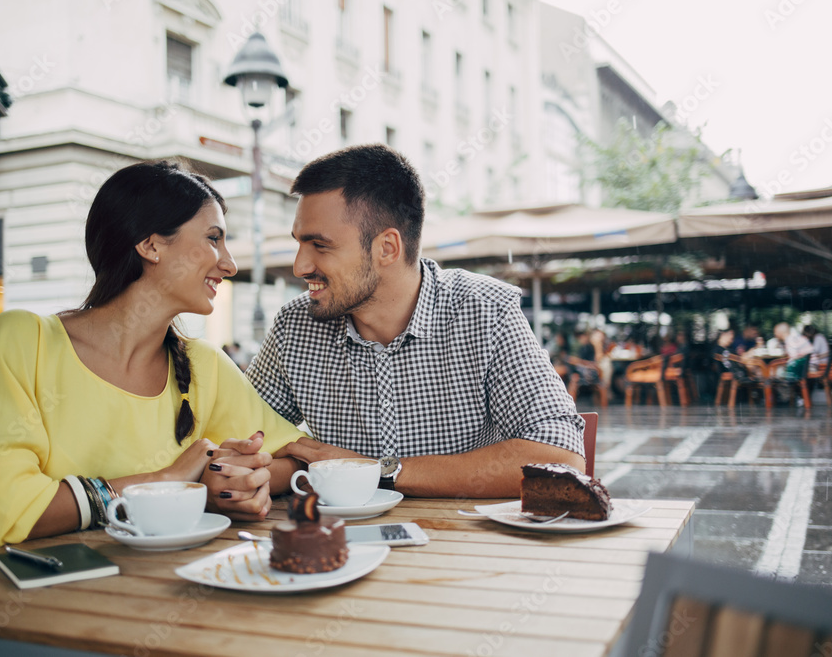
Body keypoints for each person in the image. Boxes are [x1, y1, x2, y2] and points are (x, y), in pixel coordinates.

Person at [0, 162, 305, 564]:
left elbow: (295, 457)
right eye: (213, 239)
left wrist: (230, 478)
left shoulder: (203, 366)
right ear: (151, 245)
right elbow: (7, 512)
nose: (228, 264)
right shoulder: (21, 341)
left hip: (129, 591)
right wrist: (166, 480)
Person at [246, 144, 585, 498]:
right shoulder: (296, 326)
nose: (300, 266)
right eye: (300, 243)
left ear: (387, 248)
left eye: (320, 245)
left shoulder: (485, 311)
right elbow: (247, 438)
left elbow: (561, 459)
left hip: (462, 543)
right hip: (343, 545)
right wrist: (260, 474)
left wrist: (374, 470)